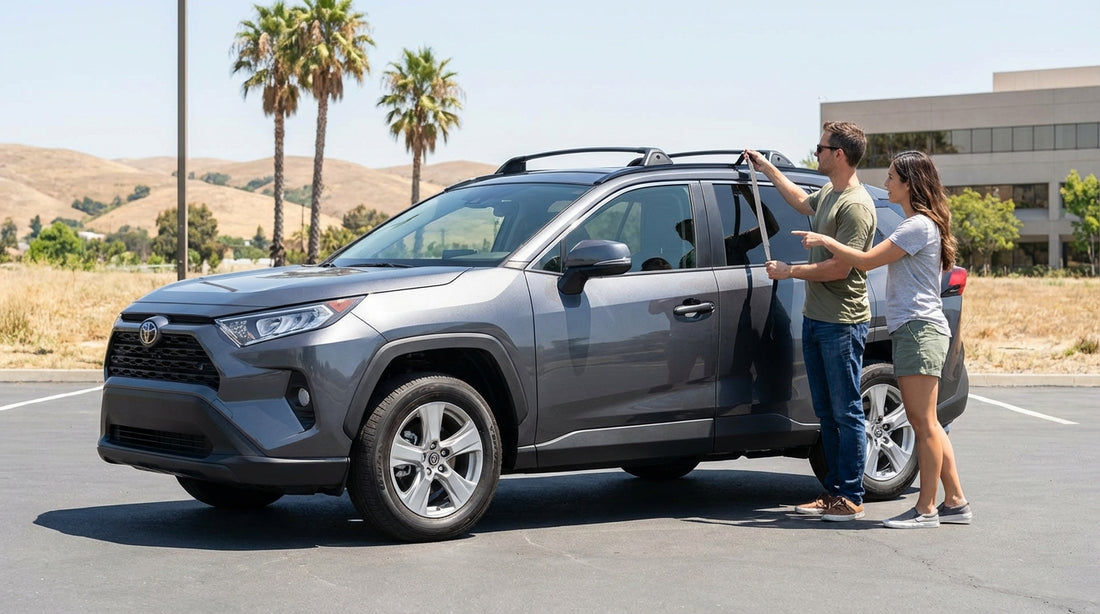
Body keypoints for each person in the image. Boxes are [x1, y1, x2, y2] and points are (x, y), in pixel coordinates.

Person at [792, 150, 970, 529]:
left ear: (909, 184)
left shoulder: (916, 227)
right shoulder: (918, 224)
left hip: (919, 331)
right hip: (917, 330)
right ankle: (955, 501)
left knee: (923, 424)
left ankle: (926, 509)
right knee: (930, 422)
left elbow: (866, 260)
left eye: (891, 177)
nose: (886, 183)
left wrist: (825, 240)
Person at [745, 121, 877, 522]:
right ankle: (833, 491)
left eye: (820, 148)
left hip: (842, 322)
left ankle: (850, 496)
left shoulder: (856, 206)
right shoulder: (830, 194)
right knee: (827, 411)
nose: (816, 153)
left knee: (846, 411)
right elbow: (802, 201)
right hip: (817, 319)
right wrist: (767, 168)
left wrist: (790, 271)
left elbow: (840, 268)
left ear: (839, 154)